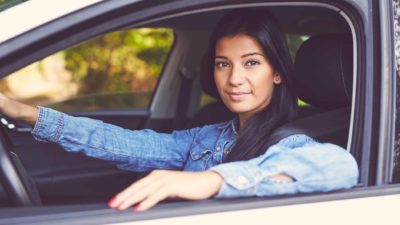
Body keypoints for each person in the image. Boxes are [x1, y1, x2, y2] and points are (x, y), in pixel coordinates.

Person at [0, 9, 358, 211]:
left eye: (251, 63)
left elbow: (338, 168)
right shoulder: (208, 137)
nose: (234, 79)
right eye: (223, 64)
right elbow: (123, 143)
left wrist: (210, 180)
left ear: (277, 72)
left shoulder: (292, 142)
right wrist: (29, 115)